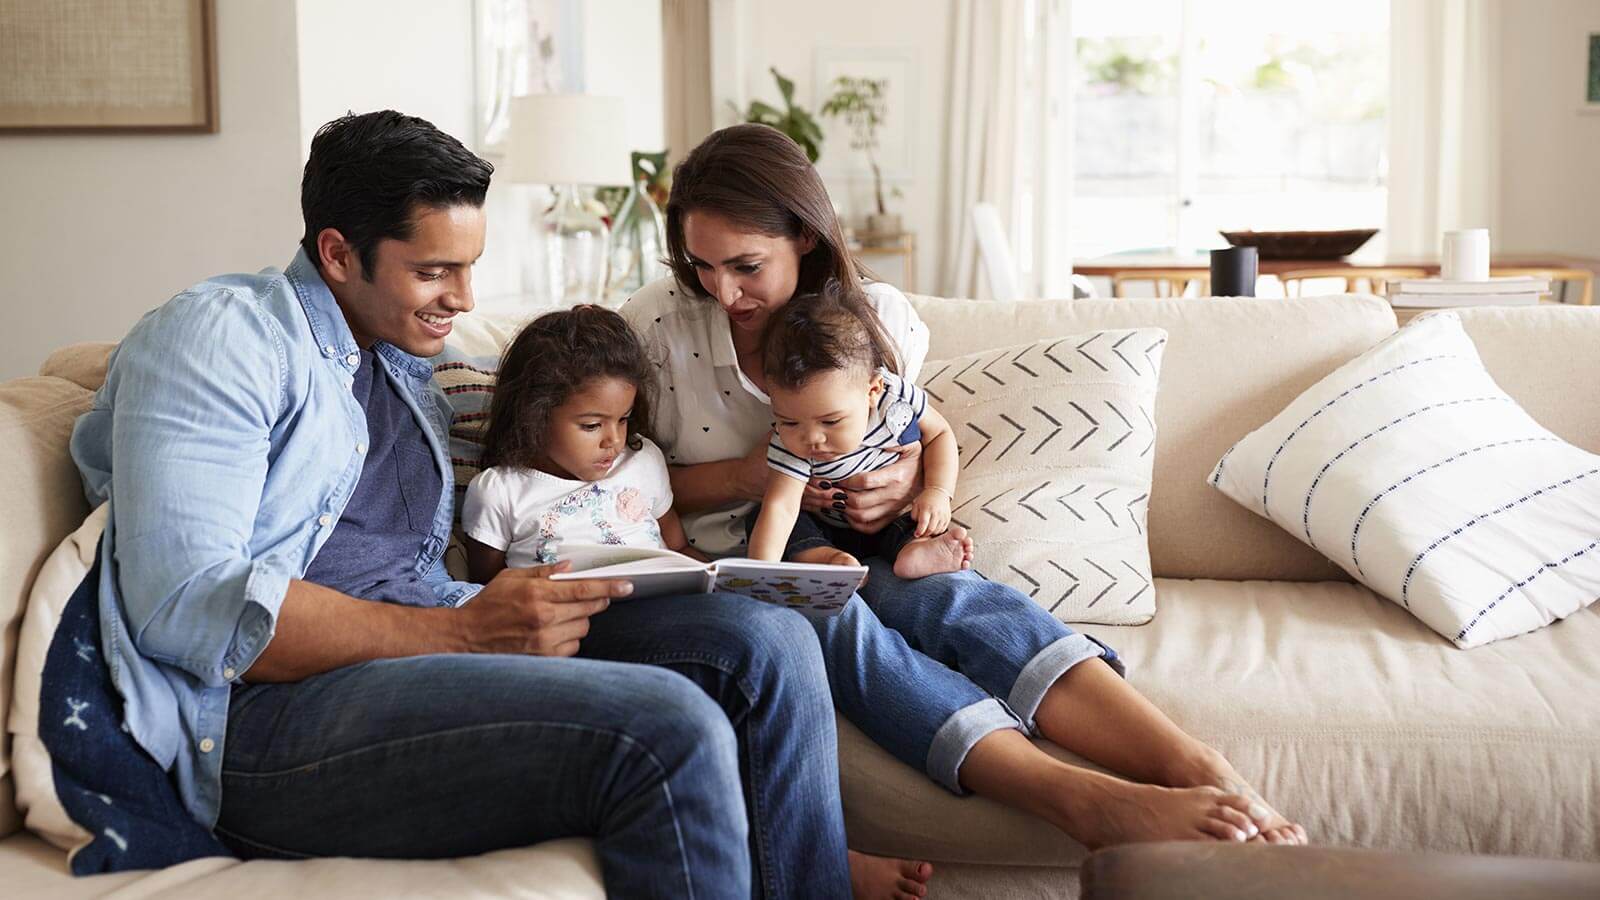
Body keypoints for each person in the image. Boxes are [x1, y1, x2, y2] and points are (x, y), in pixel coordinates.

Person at [65, 110, 927, 899]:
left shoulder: (404, 368)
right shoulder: (221, 338)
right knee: (669, 730)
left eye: (469, 268)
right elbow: (190, 608)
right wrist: (465, 631)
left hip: (439, 639)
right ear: (336, 253)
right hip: (267, 720)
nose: (465, 301)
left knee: (766, 638)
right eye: (433, 271)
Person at [621, 122, 1309, 849]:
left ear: (806, 239)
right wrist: (743, 476)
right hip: (741, 562)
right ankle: (1078, 800)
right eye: (702, 264)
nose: (722, 291)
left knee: (955, 598)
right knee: (828, 621)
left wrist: (903, 485)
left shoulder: (873, 318)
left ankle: (1200, 765)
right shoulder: (657, 326)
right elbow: (617, 485)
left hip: (862, 538)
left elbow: (910, 435)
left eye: (745, 266)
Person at [745, 281, 974, 579]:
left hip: (891, 518)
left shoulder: (893, 403)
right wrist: (760, 577)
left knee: (919, 520)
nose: (811, 438)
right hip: (826, 528)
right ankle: (825, 558)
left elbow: (939, 433)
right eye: (789, 421)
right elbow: (781, 507)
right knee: (762, 518)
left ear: (872, 390)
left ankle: (914, 552)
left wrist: (938, 491)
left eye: (831, 421)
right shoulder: (789, 443)